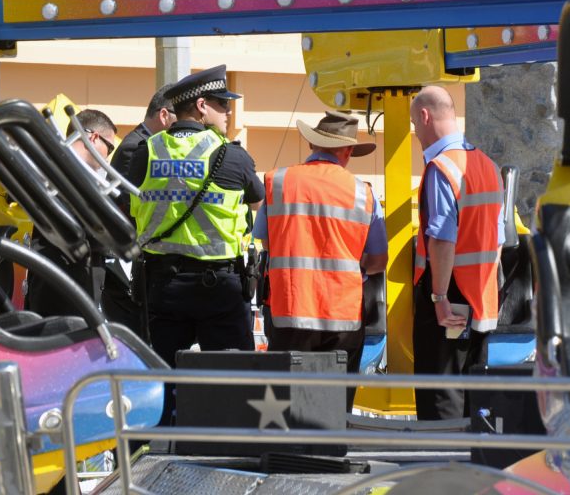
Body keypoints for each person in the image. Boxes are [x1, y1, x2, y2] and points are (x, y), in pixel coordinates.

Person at [128, 64, 264, 424]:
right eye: (222, 104)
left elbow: (126, 209)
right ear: (201, 106)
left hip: (163, 286)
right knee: (234, 381)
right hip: (219, 288)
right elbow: (256, 199)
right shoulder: (232, 156)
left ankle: (156, 452)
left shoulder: (147, 151)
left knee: (162, 381)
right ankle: (233, 448)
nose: (228, 111)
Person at [253, 111, 387, 405]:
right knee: (334, 403)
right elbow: (378, 260)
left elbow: (266, 241)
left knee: (287, 404)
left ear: (313, 145)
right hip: (343, 315)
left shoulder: (278, 182)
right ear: (348, 151)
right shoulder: (363, 193)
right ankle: (332, 448)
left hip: (290, 310)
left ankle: (288, 450)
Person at [409, 85, 505, 421]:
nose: (416, 133)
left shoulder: (441, 167)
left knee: (442, 391)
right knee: (472, 389)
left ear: (424, 116)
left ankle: (440, 465)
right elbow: (498, 238)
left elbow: (442, 238)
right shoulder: (488, 166)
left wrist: (438, 298)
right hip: (481, 296)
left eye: (414, 124)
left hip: (449, 296)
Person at [26, 109, 119, 318]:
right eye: (109, 147)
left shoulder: (50, 166)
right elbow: (96, 234)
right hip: (68, 286)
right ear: (94, 137)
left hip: (51, 281)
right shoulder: (74, 174)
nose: (108, 155)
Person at [104, 86, 176, 336]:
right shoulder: (136, 148)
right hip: (128, 257)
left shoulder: (147, 145)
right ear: (164, 115)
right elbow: (128, 206)